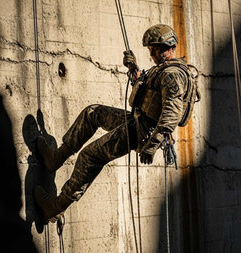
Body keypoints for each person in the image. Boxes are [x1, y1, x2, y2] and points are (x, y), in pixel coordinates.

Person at [34, 24, 198, 222]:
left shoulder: (173, 75)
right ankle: (56, 158)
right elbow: (149, 94)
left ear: (168, 47)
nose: (152, 53)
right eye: (150, 49)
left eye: (155, 49)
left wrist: (152, 145)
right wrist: (134, 70)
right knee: (93, 113)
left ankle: (56, 206)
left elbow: (171, 114)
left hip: (141, 132)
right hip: (138, 121)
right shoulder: (165, 69)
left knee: (90, 157)